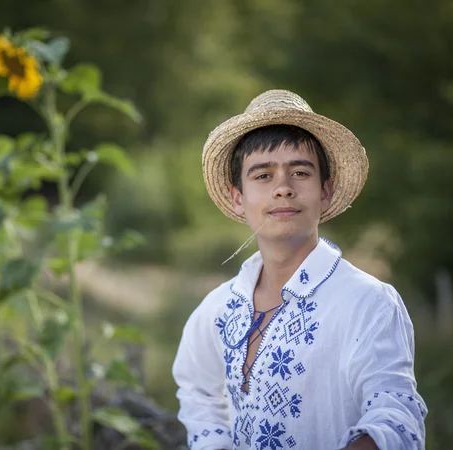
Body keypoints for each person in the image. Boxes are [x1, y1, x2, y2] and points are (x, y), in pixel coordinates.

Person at [172, 90, 428, 450]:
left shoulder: (369, 302)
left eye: (300, 172)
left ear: (325, 191)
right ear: (237, 197)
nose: (283, 189)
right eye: (262, 175)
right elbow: (197, 389)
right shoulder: (218, 308)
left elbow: (396, 413)